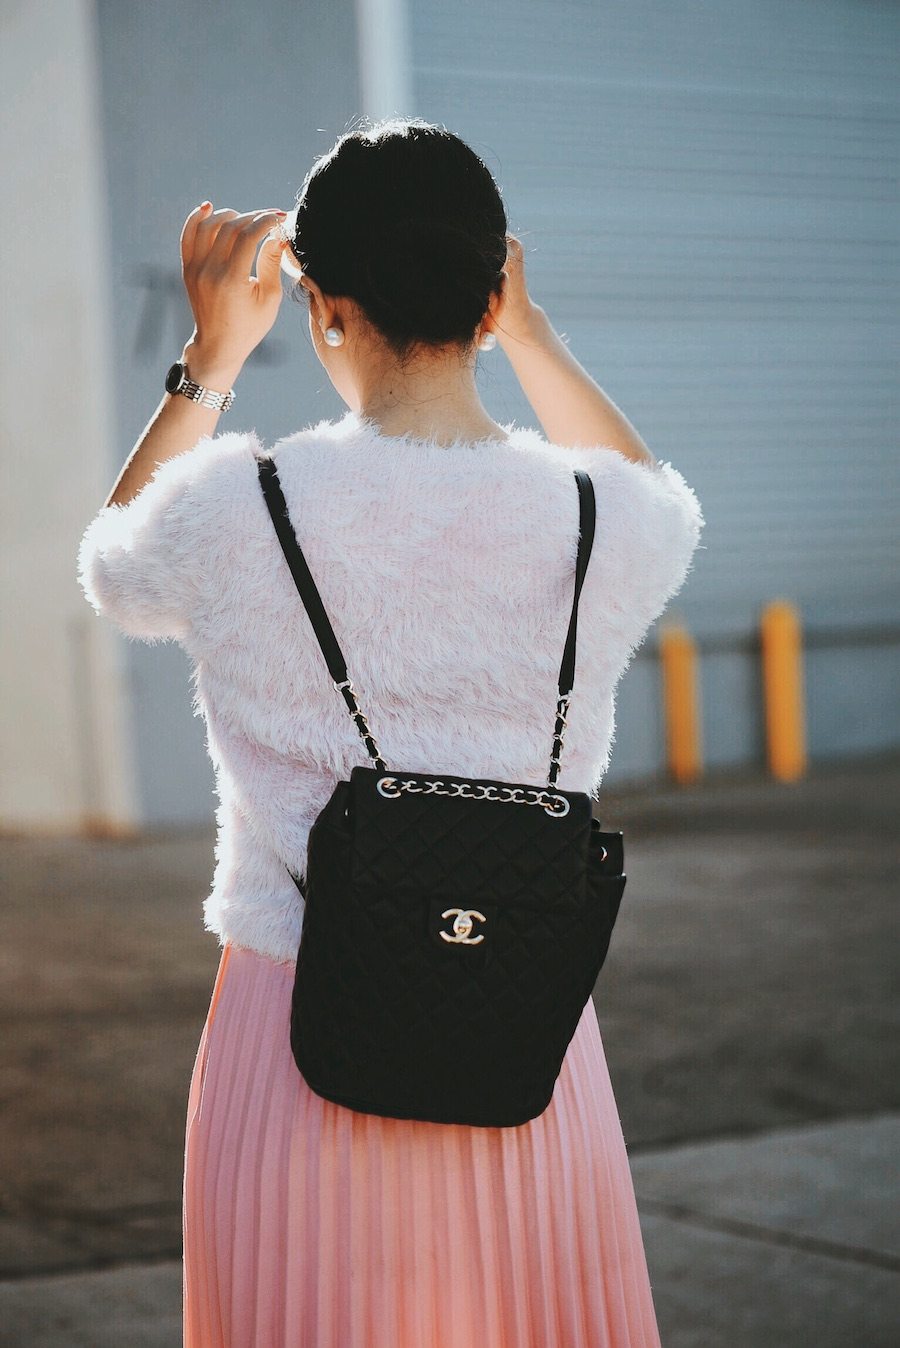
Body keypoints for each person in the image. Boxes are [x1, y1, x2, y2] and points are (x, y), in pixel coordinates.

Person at [77, 116, 704, 1348]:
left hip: (297, 1025)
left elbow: (112, 566)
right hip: (527, 1030)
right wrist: (532, 332)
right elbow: (659, 500)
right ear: (488, 297)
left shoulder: (235, 505)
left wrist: (211, 357)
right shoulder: (595, 521)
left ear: (322, 307)